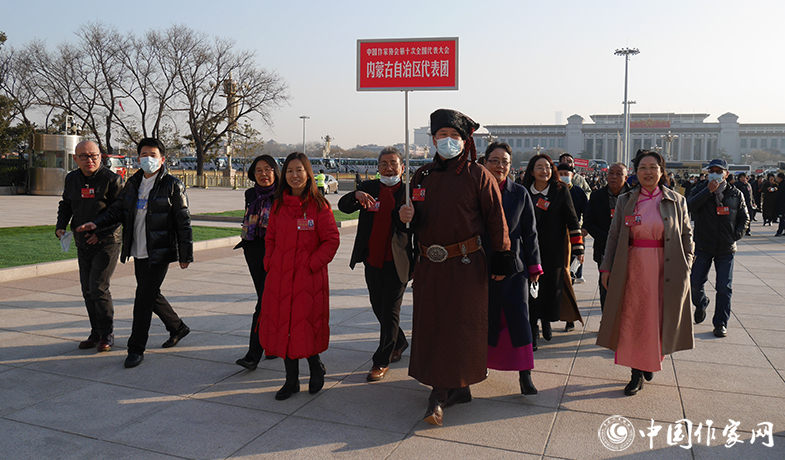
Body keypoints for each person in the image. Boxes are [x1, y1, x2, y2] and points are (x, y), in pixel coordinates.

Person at [397, 108, 514, 427]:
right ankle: (455, 387)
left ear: (465, 141)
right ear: (433, 139)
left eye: (454, 136)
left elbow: (496, 220)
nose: (447, 141)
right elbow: (416, 219)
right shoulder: (421, 176)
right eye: (441, 136)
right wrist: (406, 217)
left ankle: (440, 393)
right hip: (430, 266)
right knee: (431, 324)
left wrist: (502, 258)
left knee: (460, 327)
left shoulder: (479, 176)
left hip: (465, 265)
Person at [77, 138, 192, 369]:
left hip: (159, 251)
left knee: (142, 299)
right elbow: (117, 211)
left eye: (153, 154)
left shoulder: (172, 184)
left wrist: (185, 253)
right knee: (151, 295)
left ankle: (136, 348)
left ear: (162, 159)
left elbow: (183, 221)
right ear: (138, 158)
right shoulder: (133, 183)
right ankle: (177, 327)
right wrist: (96, 224)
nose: (148, 159)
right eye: (143, 154)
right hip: (138, 250)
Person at [598, 150, 694, 396]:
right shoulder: (626, 200)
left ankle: (652, 358)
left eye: (653, 167)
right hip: (633, 268)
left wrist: (688, 263)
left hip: (665, 268)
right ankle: (636, 372)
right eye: (642, 168)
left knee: (658, 318)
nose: (648, 172)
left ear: (662, 171)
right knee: (634, 319)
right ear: (636, 172)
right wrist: (606, 267)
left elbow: (686, 235)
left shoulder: (676, 200)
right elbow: (614, 235)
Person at [259, 152, 340, 400]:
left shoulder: (319, 206)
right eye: (290, 171)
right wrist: (270, 261)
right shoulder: (278, 205)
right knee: (283, 325)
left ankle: (315, 366)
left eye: (300, 170)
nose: (295, 176)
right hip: (279, 277)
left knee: (305, 326)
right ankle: (291, 380)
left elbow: (331, 241)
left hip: (308, 279)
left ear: (308, 174)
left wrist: (311, 264)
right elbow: (270, 238)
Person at [338, 147, 412, 382]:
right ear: (377, 166)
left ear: (402, 167)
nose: (388, 167)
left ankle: (381, 360)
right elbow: (343, 206)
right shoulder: (369, 188)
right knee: (378, 306)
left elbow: (421, 223)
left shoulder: (410, 192)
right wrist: (355, 195)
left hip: (398, 261)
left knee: (390, 310)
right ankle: (399, 341)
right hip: (372, 259)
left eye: (393, 163)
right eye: (383, 163)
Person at [482, 142, 542, 395]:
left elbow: (530, 232)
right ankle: (477, 366)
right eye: (494, 160)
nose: (499, 166)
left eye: (504, 161)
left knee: (519, 320)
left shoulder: (519, 193)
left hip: (514, 268)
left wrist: (534, 264)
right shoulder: (475, 192)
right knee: (484, 320)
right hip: (480, 268)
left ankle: (524, 374)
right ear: (484, 163)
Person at [56, 140, 123, 352]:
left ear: (100, 157)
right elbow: (66, 204)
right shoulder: (72, 179)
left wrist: (100, 231)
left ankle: (107, 333)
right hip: (82, 241)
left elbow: (120, 212)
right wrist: (60, 226)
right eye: (83, 156)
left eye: (93, 155)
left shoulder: (111, 180)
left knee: (98, 287)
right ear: (75, 159)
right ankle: (95, 333)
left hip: (106, 243)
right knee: (87, 290)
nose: (89, 160)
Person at [521, 154, 584, 350]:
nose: (544, 171)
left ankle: (546, 321)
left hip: (554, 250)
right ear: (532, 171)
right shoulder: (523, 192)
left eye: (548, 167)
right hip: (529, 250)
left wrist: (578, 248)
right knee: (530, 291)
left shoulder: (560, 191)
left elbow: (573, 221)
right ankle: (533, 330)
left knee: (549, 289)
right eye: (539, 167)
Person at [687, 159, 749, 338]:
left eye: (719, 171)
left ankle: (720, 323)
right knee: (695, 282)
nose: (715, 174)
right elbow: (689, 207)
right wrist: (708, 191)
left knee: (724, 287)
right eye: (712, 171)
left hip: (726, 249)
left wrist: (734, 235)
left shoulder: (736, 194)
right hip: (703, 246)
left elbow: (744, 219)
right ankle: (701, 303)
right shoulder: (700, 189)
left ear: (726, 174)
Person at [234, 155, 280, 370]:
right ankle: (272, 344)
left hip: (277, 252)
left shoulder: (284, 194)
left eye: (268, 169)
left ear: (275, 171)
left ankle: (253, 355)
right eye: (258, 170)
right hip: (253, 249)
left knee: (264, 302)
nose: (263, 174)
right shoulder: (250, 193)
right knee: (268, 300)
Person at [583, 162, 629, 311]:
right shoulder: (597, 196)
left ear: (626, 177)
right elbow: (589, 223)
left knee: (628, 286)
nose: (614, 177)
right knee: (605, 284)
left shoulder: (634, 196)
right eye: (611, 173)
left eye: (618, 174)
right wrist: (608, 240)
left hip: (629, 248)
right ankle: (607, 322)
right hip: (604, 249)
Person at [556, 163, 588, 287]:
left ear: (572, 176)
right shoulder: (553, 191)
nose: (563, 176)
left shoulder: (578, 192)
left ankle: (572, 281)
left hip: (575, 232)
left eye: (566, 174)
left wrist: (585, 227)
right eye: (561, 174)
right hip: (557, 234)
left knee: (574, 260)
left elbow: (587, 212)